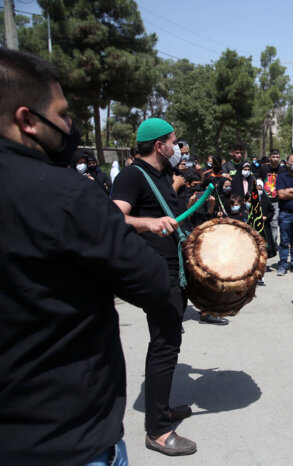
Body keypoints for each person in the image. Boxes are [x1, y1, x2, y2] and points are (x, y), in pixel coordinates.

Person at [0, 48, 174, 466]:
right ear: (27, 120)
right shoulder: (66, 193)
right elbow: (149, 281)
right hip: (65, 435)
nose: (69, 125)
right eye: (61, 114)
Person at [112, 118, 198, 456]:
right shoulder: (131, 175)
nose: (177, 147)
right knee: (164, 344)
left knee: (170, 341)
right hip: (156, 272)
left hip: (173, 268)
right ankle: (158, 431)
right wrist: (147, 223)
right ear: (159, 145)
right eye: (173, 141)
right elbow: (114, 216)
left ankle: (161, 410)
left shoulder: (161, 175)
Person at [258, 149, 286, 251]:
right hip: (264, 200)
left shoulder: (283, 170)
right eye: (273, 157)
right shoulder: (264, 168)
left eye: (277, 157)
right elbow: (259, 181)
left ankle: (273, 245)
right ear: (270, 158)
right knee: (264, 222)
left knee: (274, 223)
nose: (275, 159)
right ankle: (263, 242)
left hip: (277, 200)